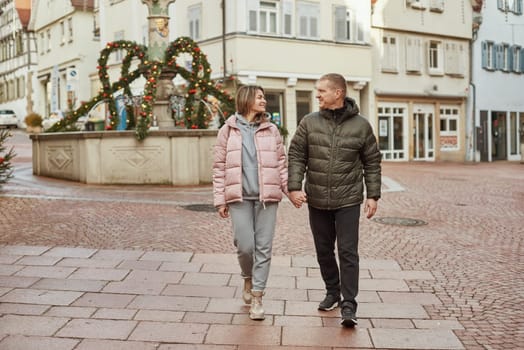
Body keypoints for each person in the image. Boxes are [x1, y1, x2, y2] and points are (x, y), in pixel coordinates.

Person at [287, 73, 382, 327]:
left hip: (348, 199)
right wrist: (294, 187)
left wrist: (372, 195)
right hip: (317, 198)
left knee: (348, 252)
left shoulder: (361, 126)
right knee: (323, 251)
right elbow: (296, 155)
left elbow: (372, 162)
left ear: (338, 93)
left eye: (321, 91)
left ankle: (349, 304)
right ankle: (333, 291)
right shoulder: (309, 122)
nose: (317, 95)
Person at [213, 85, 288, 320]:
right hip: (239, 198)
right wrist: (219, 199)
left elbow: (281, 163)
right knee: (245, 246)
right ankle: (247, 277)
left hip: (267, 199)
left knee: (264, 248)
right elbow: (219, 167)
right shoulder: (227, 130)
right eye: (259, 97)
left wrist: (291, 191)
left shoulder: (272, 130)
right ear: (246, 100)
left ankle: (257, 297)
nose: (264, 100)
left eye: (264, 97)